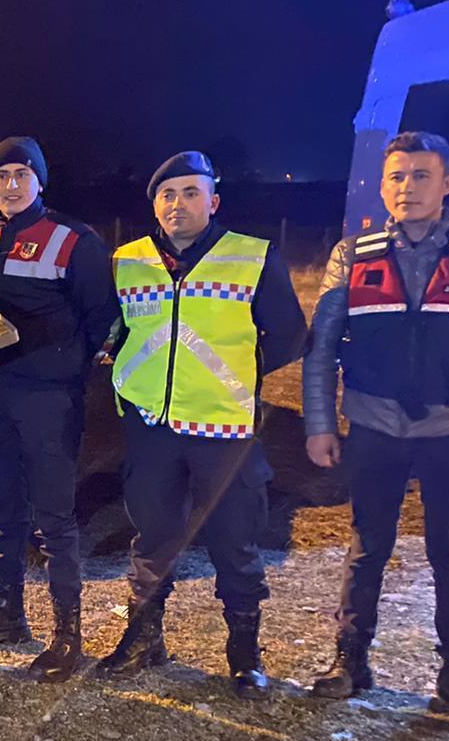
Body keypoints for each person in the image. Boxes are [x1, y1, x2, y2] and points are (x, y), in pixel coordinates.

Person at [303, 131, 449, 731]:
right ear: (381, 184)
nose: (407, 188)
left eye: (420, 175)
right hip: (373, 426)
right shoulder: (353, 254)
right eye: (396, 177)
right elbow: (321, 352)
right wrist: (319, 424)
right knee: (367, 548)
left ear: (448, 184)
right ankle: (350, 661)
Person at [102, 150, 305, 697]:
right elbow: (115, 328)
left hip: (223, 430)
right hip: (151, 425)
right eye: (167, 194)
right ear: (154, 205)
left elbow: (286, 336)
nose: (178, 203)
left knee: (234, 542)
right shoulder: (128, 260)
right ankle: (144, 640)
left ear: (213, 201)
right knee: (153, 537)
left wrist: (233, 378)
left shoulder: (253, 257)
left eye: (190, 192)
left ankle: (243, 655)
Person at [0, 138, 117, 681]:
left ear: (40, 181)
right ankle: (8, 613)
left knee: (54, 512)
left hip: (49, 397)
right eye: (1, 176)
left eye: (21, 174)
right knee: (0, 503)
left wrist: (66, 365)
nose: (11, 185)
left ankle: (67, 633)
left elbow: (102, 317)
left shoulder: (75, 240)